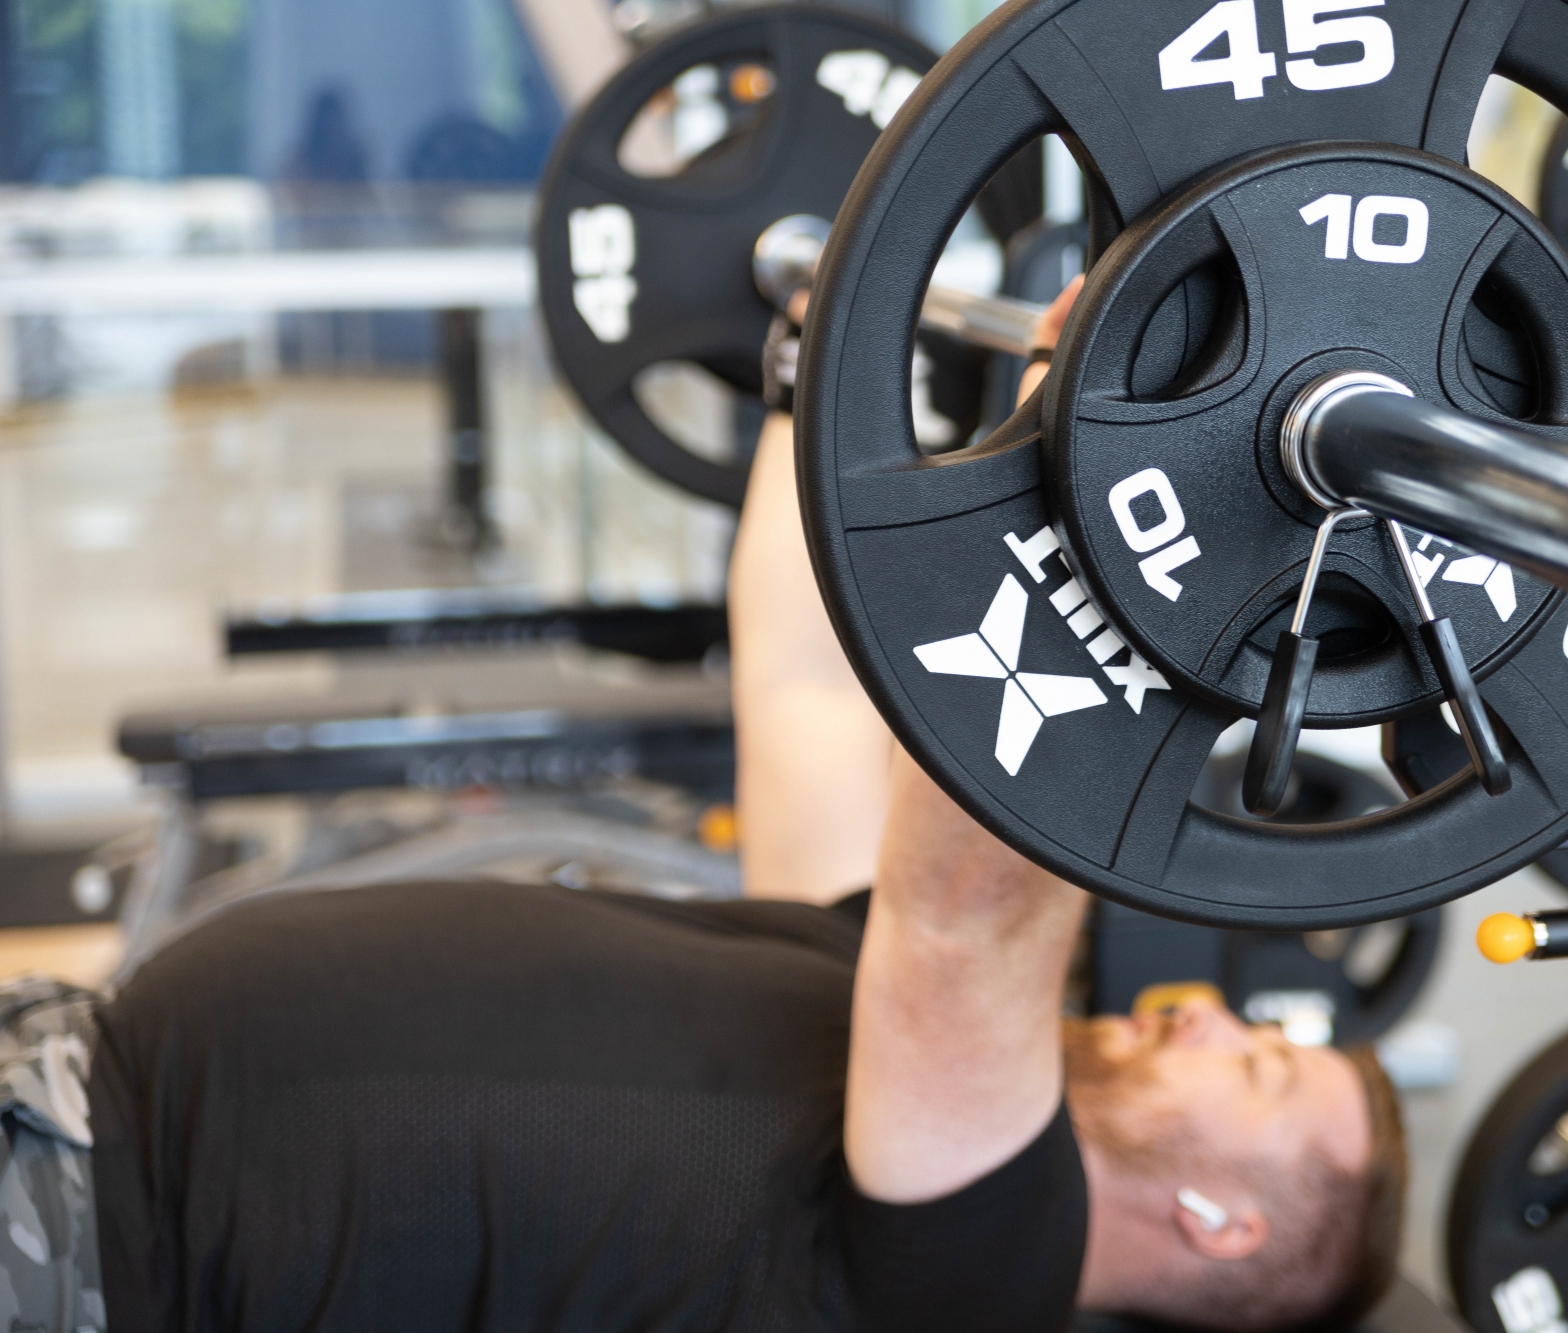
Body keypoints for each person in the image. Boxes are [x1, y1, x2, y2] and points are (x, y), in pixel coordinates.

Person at [55, 286, 1405, 1332]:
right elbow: (808, 690)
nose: (1219, 1015)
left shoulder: (979, 1274)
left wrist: (1100, 462)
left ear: (1218, 1217)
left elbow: (974, 913)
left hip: (92, 1252)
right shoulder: (892, 1062)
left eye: (1263, 1069)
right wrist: (814, 371)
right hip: (73, 1092)